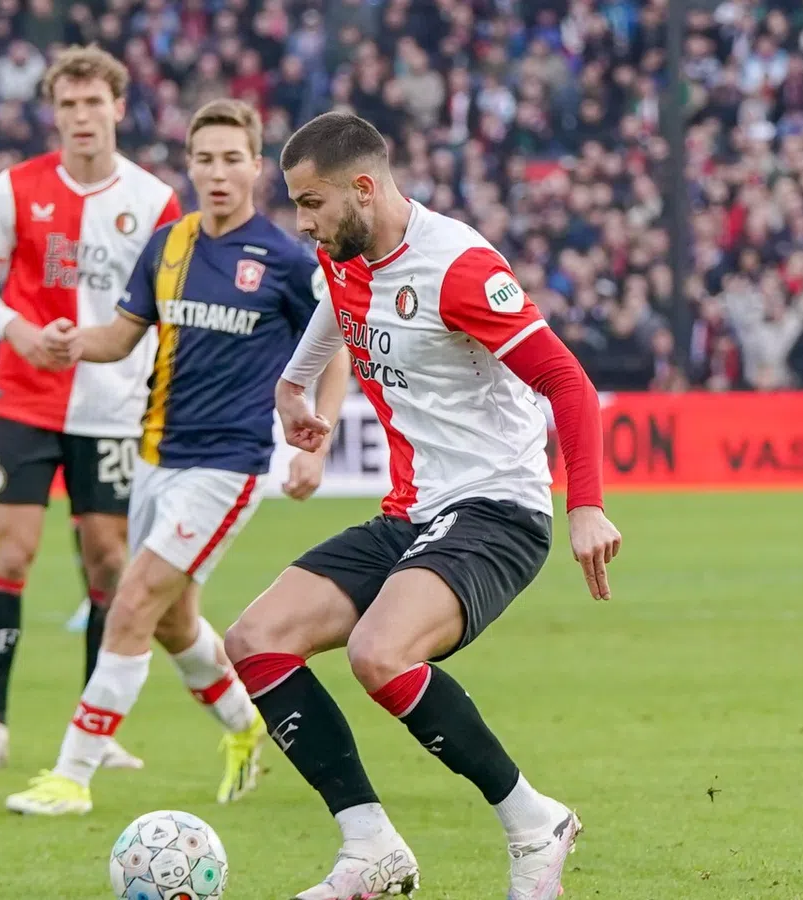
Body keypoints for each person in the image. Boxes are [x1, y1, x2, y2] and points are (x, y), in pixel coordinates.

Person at [222, 112, 622, 900]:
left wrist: (587, 505)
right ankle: (369, 846)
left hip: (498, 510)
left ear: (363, 188)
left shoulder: (460, 268)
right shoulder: (345, 255)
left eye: (311, 203)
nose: (301, 223)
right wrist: (293, 387)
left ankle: (533, 822)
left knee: (380, 652)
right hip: (411, 513)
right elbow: (337, 316)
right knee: (255, 639)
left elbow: (567, 381)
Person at [3, 99, 349, 816]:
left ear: (256, 167)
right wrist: (70, 341)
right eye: (205, 159)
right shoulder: (169, 246)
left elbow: (336, 341)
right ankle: (248, 727)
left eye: (232, 159)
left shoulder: (285, 260)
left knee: (130, 601)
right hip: (156, 457)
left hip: (228, 467)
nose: (218, 173)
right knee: (172, 620)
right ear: (188, 165)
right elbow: (123, 336)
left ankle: (72, 775)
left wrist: (320, 436)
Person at [0, 45, 182, 771]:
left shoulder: (153, 201)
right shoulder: (15, 188)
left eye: (93, 104)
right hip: (26, 396)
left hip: (113, 405)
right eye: (68, 105)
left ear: (118, 108)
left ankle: (96, 725)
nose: (81, 117)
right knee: (13, 551)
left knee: (109, 562)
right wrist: (19, 331)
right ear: (53, 113)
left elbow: (167, 306)